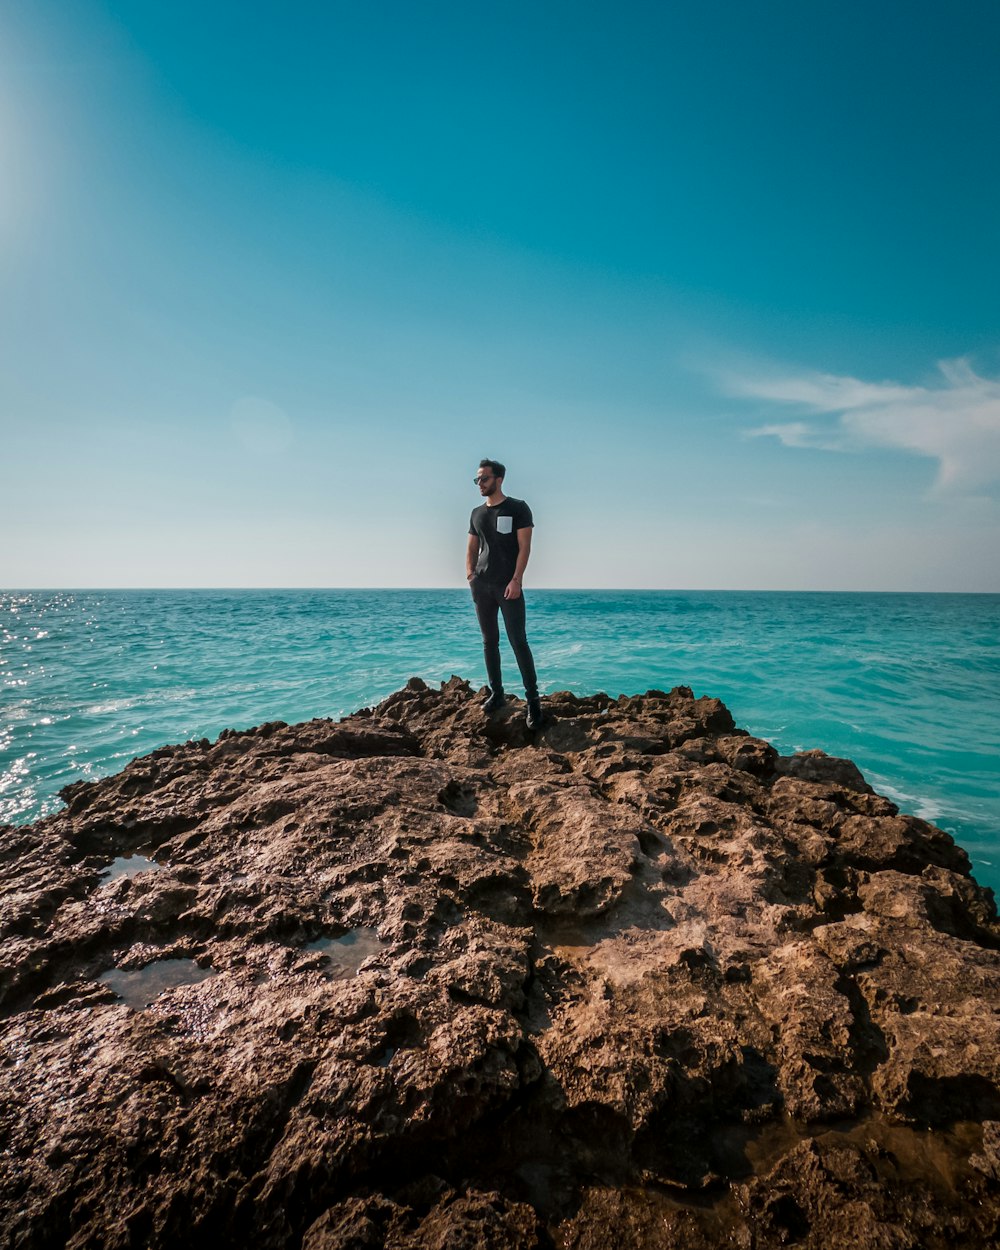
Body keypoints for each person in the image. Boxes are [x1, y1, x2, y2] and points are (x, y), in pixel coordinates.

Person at [466, 458, 543, 728]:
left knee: (518, 641)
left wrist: (517, 580)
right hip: (483, 586)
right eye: (477, 480)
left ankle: (533, 702)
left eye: (484, 479)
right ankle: (496, 693)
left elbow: (525, 548)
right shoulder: (476, 513)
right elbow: (472, 548)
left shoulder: (518, 508)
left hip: (509, 586)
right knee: (490, 641)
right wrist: (471, 577)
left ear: (499, 480)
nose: (480, 484)